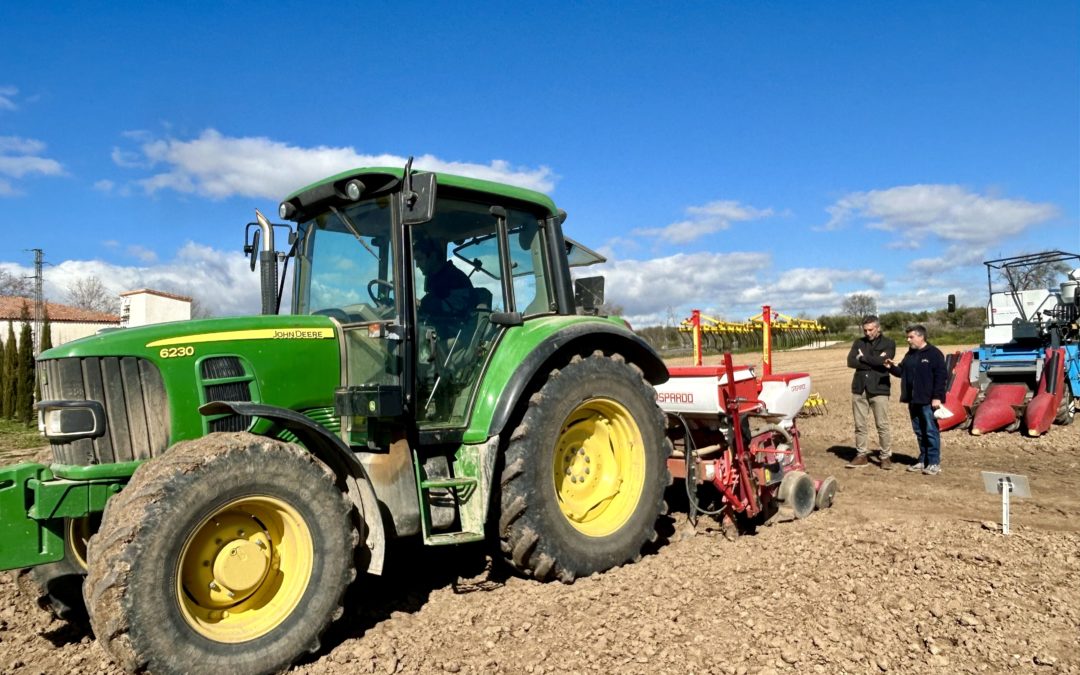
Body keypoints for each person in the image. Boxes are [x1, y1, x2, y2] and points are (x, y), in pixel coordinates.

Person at [884, 324, 948, 475]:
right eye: (907, 337)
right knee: (919, 432)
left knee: (931, 431)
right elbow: (902, 372)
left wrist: (937, 397)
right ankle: (922, 460)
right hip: (913, 400)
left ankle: (933, 462)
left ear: (921, 336)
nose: (908, 340)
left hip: (928, 401)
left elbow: (941, 377)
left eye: (911, 337)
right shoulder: (910, 355)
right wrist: (891, 368)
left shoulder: (934, 354)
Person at [846, 315, 896, 469]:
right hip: (860, 388)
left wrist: (863, 358)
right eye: (865, 330)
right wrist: (874, 360)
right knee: (860, 424)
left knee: (882, 424)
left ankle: (885, 457)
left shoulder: (889, 343)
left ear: (878, 328)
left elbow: (884, 362)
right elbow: (850, 361)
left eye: (870, 329)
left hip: (879, 389)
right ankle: (861, 455)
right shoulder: (858, 342)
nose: (867, 333)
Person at [413, 235, 474, 334]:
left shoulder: (454, 278)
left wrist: (422, 304)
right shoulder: (435, 278)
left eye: (419, 259)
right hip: (440, 330)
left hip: (458, 336)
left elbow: (457, 308)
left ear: (433, 256)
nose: (417, 265)